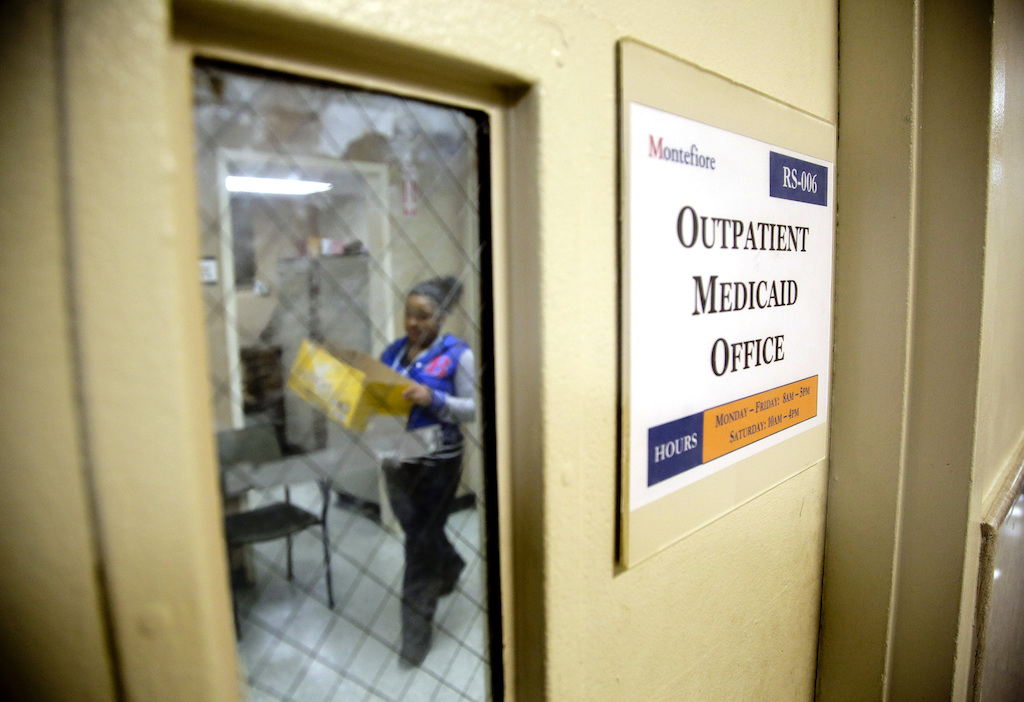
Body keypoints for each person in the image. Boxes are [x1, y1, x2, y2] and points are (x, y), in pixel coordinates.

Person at [380, 275, 476, 667]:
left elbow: (473, 408)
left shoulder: (458, 356)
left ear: (441, 317)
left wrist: (431, 397)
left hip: (438, 465)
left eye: (423, 316)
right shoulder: (390, 353)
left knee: (417, 547)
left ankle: (414, 640)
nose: (413, 324)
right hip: (396, 462)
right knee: (421, 533)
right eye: (408, 314)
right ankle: (451, 564)